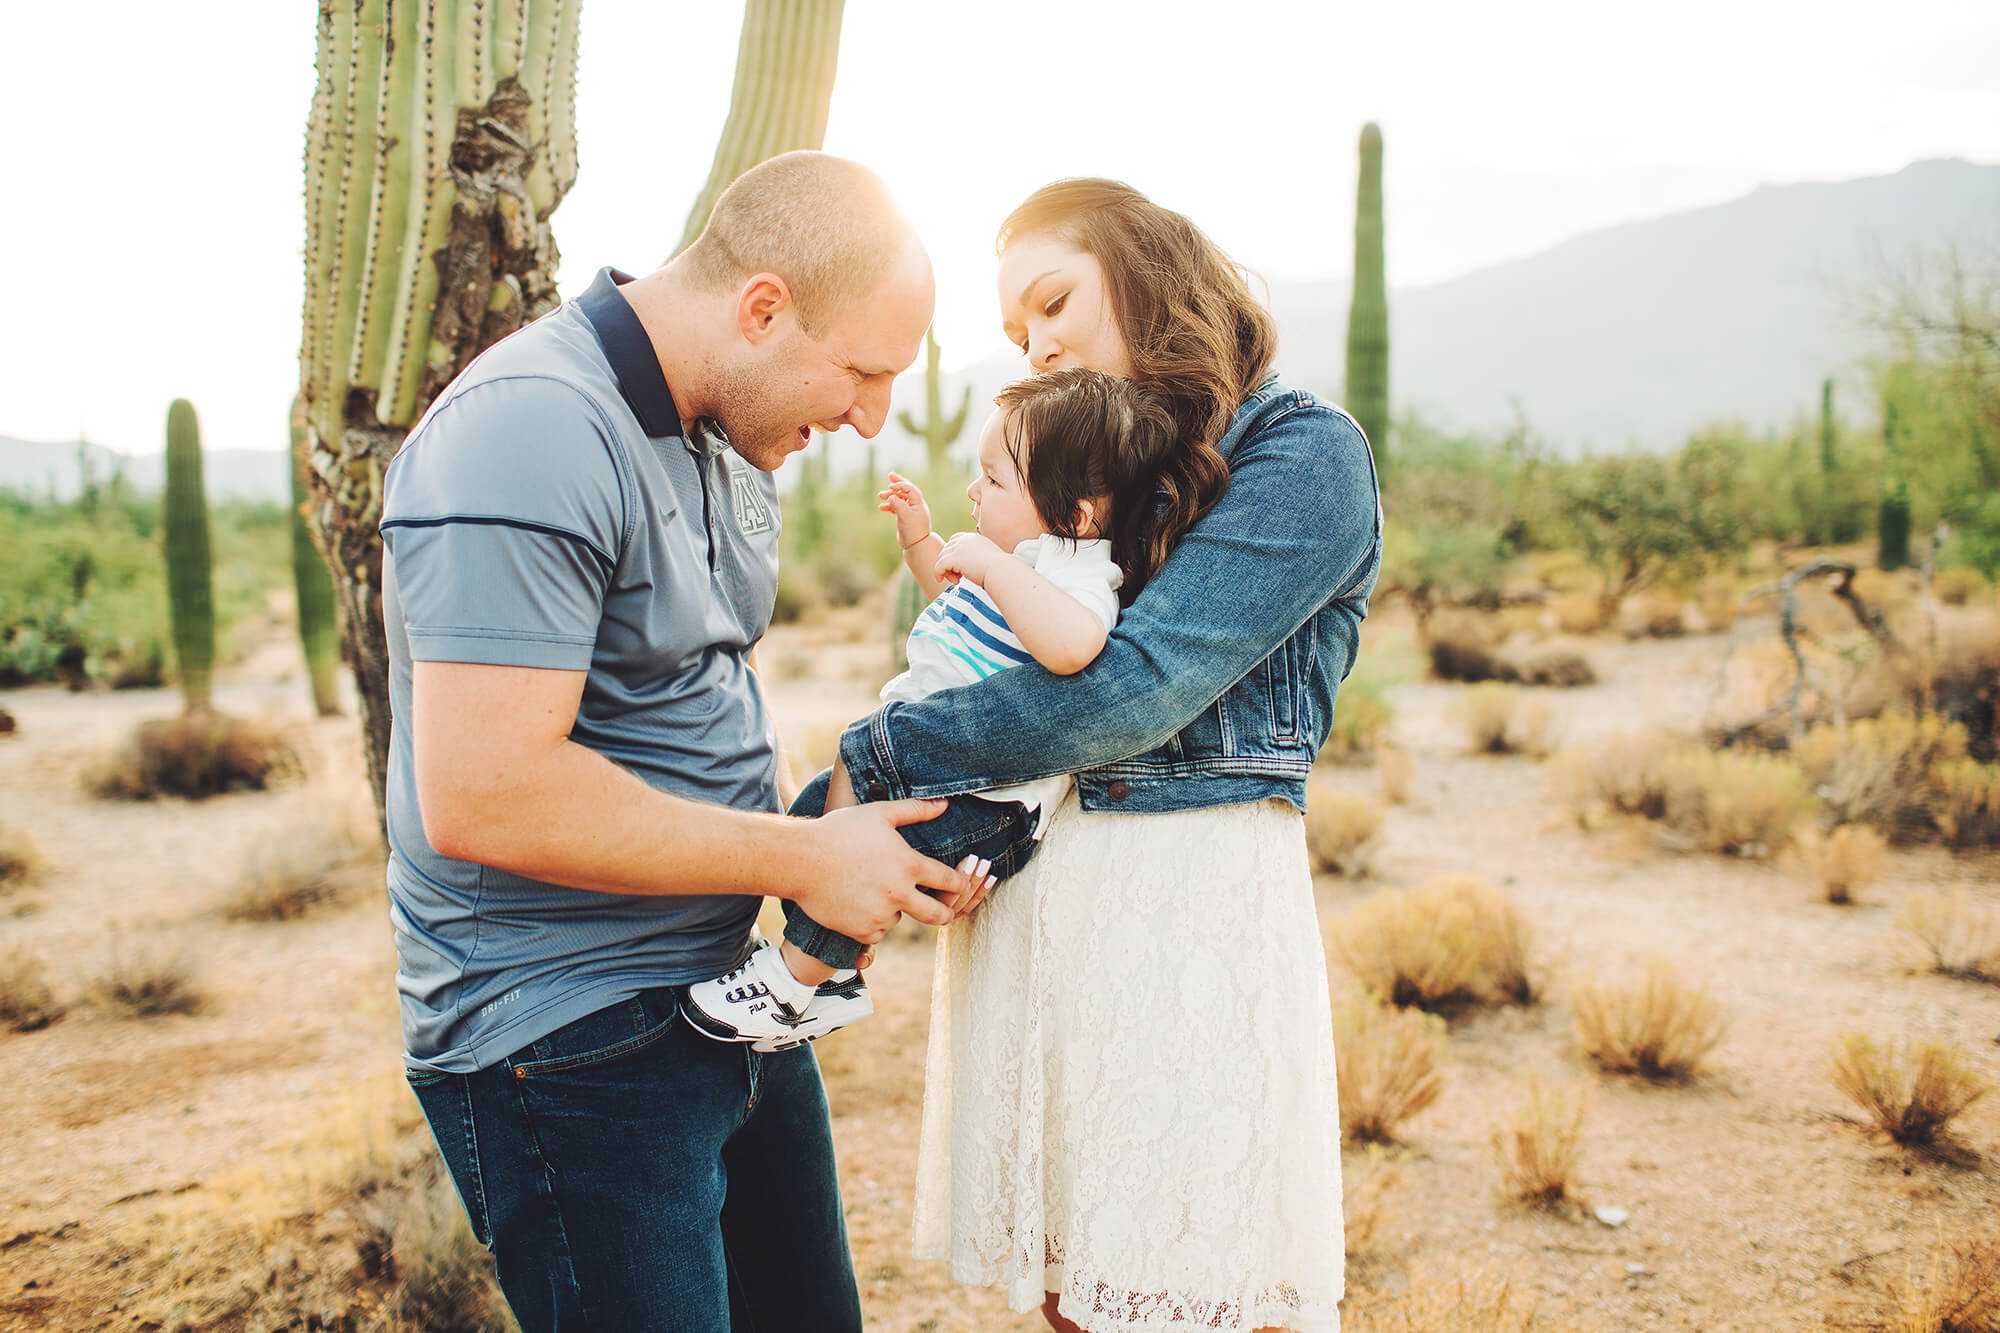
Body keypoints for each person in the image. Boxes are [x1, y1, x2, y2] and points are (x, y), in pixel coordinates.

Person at [376, 151, 987, 1332]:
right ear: (761, 308)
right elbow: (486, 795)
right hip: (566, 1039)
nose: (867, 417)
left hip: (726, 994)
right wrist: (804, 860)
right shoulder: (531, 428)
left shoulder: (724, 430)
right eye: (859, 373)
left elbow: (676, 696)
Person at [826, 179, 1382, 1333]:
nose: (1037, 343)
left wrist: (879, 750)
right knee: (1073, 1293)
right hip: (1042, 894)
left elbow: (1129, 697)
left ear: (1147, 270)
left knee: (1202, 1279)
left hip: (1179, 913)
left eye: (1052, 298)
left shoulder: (1302, 453)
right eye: (1018, 331)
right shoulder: (1089, 465)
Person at [682, 369, 1179, 1049]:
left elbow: (1072, 647)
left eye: (996, 480)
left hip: (976, 799)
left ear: (1075, 514)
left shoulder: (1080, 575)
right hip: (925, 770)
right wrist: (924, 542)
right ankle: (837, 977)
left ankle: (791, 985)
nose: (975, 490)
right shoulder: (1016, 559)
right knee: (808, 835)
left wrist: (999, 570)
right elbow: (953, 599)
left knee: (852, 856)